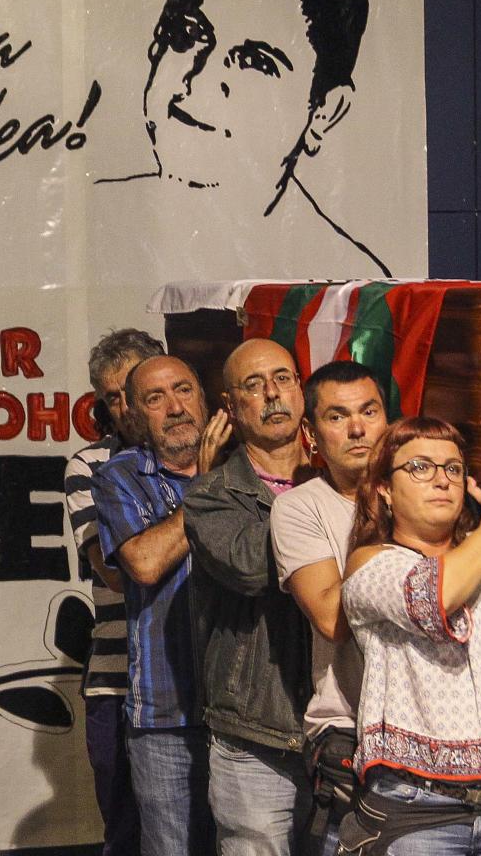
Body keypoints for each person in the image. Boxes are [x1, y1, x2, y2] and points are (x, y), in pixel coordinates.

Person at [100, 0, 384, 276]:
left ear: (324, 111)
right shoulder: (93, 223)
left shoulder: (347, 294)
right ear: (157, 45)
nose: (199, 79)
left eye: (255, 62)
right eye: (188, 35)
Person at [339, 417, 481, 855]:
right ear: (385, 489)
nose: (441, 480)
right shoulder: (371, 563)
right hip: (419, 811)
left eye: (452, 468)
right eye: (421, 468)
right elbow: (437, 595)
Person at [183, 338, 313, 856]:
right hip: (256, 737)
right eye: (254, 386)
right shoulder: (211, 494)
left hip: (345, 732)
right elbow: (252, 566)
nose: (272, 394)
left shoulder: (344, 481)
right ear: (231, 408)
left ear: (301, 390)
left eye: (282, 379)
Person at [92, 355, 215, 856]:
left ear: (205, 401)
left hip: (248, 719)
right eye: (155, 398)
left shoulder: (246, 469)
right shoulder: (121, 476)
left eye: (183, 390)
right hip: (166, 715)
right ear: (138, 416)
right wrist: (207, 488)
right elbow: (143, 562)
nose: (175, 407)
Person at [270, 360, 387, 855]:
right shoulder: (300, 506)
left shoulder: (429, 490)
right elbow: (331, 619)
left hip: (435, 738)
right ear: (311, 434)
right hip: (351, 733)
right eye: (337, 417)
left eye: (370, 411)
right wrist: (381, 520)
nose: (358, 428)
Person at [64, 327, 164, 856]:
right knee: (126, 835)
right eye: (110, 397)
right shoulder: (91, 466)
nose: (122, 406)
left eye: (131, 389)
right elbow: (117, 571)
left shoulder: (213, 460)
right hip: (116, 680)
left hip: (195, 684)